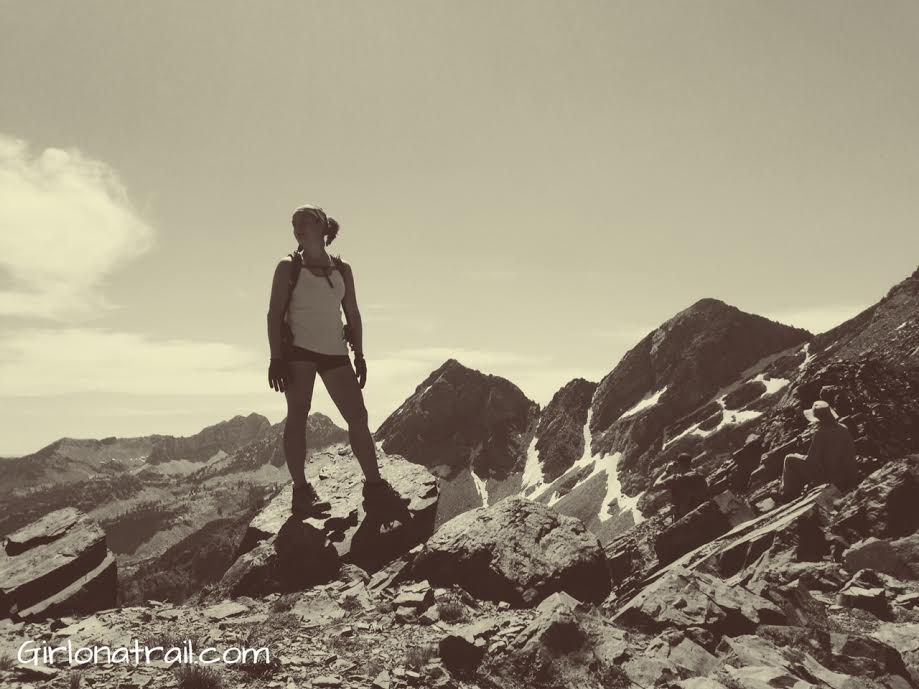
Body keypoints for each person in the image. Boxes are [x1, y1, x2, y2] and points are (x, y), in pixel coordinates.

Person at [266, 204, 409, 519]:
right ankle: (301, 492)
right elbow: (274, 313)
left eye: (303, 222)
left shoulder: (342, 270)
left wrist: (359, 353)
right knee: (298, 415)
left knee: (358, 415)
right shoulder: (287, 267)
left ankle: (374, 485)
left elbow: (353, 314)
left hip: (335, 352)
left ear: (321, 227)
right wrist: (276, 357)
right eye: (294, 224)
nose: (297, 229)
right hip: (298, 352)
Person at [780, 400, 859, 501]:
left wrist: (800, 455)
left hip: (830, 479)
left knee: (789, 459)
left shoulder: (820, 433)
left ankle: (786, 495)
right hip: (847, 476)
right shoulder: (843, 428)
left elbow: (811, 461)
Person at [659, 452, 708, 521]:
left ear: (679, 464)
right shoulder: (699, 475)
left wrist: (667, 471)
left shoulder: (678, 480)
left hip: (688, 518)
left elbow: (655, 486)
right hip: (704, 510)